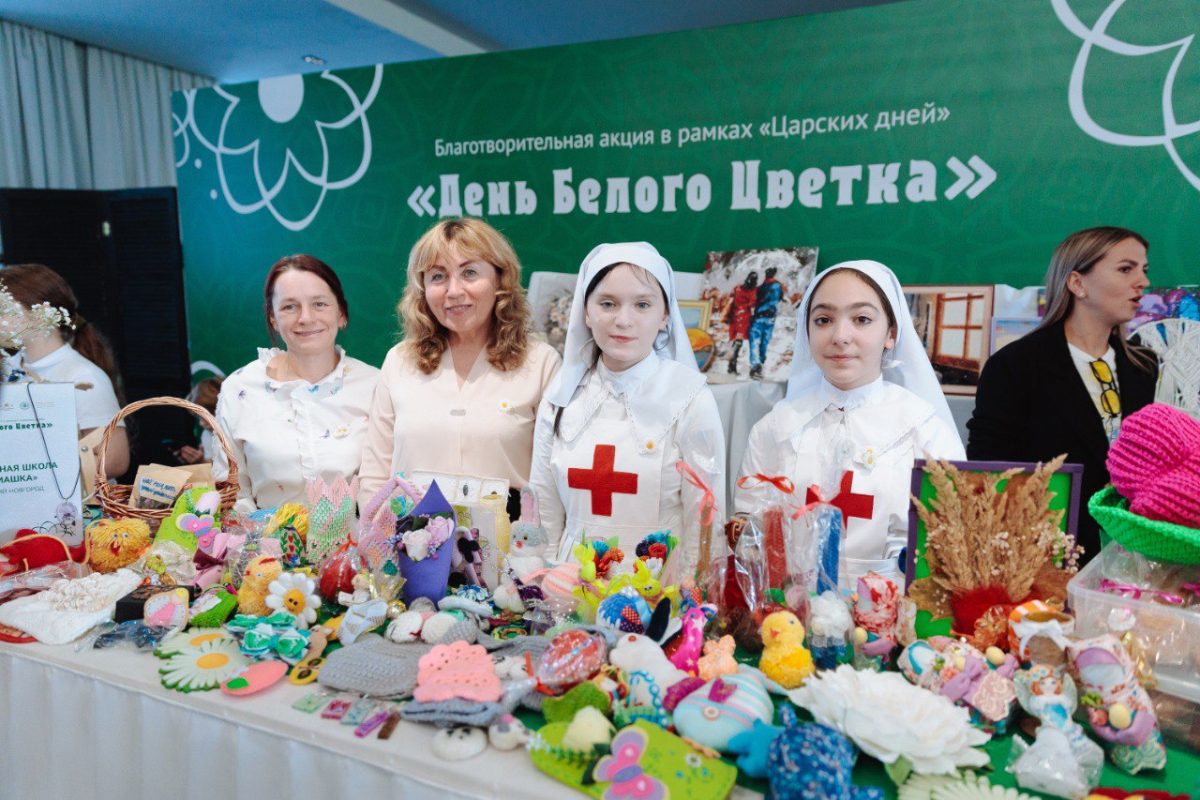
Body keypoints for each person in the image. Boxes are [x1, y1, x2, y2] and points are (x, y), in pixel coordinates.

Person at [737, 260, 964, 588]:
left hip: (896, 606)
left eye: (861, 319)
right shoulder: (774, 428)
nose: (840, 336)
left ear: (891, 334)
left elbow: (950, 542)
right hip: (789, 607)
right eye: (823, 320)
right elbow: (750, 532)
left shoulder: (926, 431)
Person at [528, 242, 726, 575]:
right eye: (607, 303)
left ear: (665, 315)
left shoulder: (691, 398)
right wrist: (541, 582)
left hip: (660, 586)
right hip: (572, 584)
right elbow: (544, 509)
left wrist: (693, 591)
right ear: (586, 312)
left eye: (642, 304)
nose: (623, 320)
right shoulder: (560, 398)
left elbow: (704, 518)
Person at [968, 227, 1158, 562]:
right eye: (1126, 269)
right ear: (1077, 283)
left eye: (1143, 269)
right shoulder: (1015, 365)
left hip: (1133, 555)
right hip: (1046, 558)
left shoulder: (1144, 366)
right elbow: (989, 473)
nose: (1142, 282)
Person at [358, 218, 560, 517]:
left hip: (511, 541)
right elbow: (375, 475)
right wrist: (384, 537)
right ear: (423, 289)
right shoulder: (399, 361)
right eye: (438, 276)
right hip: (410, 541)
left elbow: (553, 481)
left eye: (469, 273)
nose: (453, 291)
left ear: (500, 280)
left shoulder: (541, 363)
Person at [213, 255, 379, 513]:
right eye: (290, 307)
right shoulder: (239, 389)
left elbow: (387, 482)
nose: (306, 318)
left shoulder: (375, 385)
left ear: (341, 313)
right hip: (262, 538)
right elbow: (231, 493)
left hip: (356, 537)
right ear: (273, 318)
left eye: (319, 304)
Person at [1, 263, 129, 477]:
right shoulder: (7, 369)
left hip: (68, 498)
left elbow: (114, 460)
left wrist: (32, 468)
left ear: (42, 314)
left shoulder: (83, 377)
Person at [177, 377, 222, 465]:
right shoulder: (207, 434)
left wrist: (202, 462)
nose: (201, 423)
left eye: (208, 414)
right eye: (199, 417)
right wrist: (201, 461)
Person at [724, 270, 757, 374]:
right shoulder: (752, 292)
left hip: (734, 318)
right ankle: (732, 365)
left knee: (735, 342)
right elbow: (752, 305)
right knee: (738, 343)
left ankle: (731, 365)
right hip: (743, 321)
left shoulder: (737, 288)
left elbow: (730, 299)